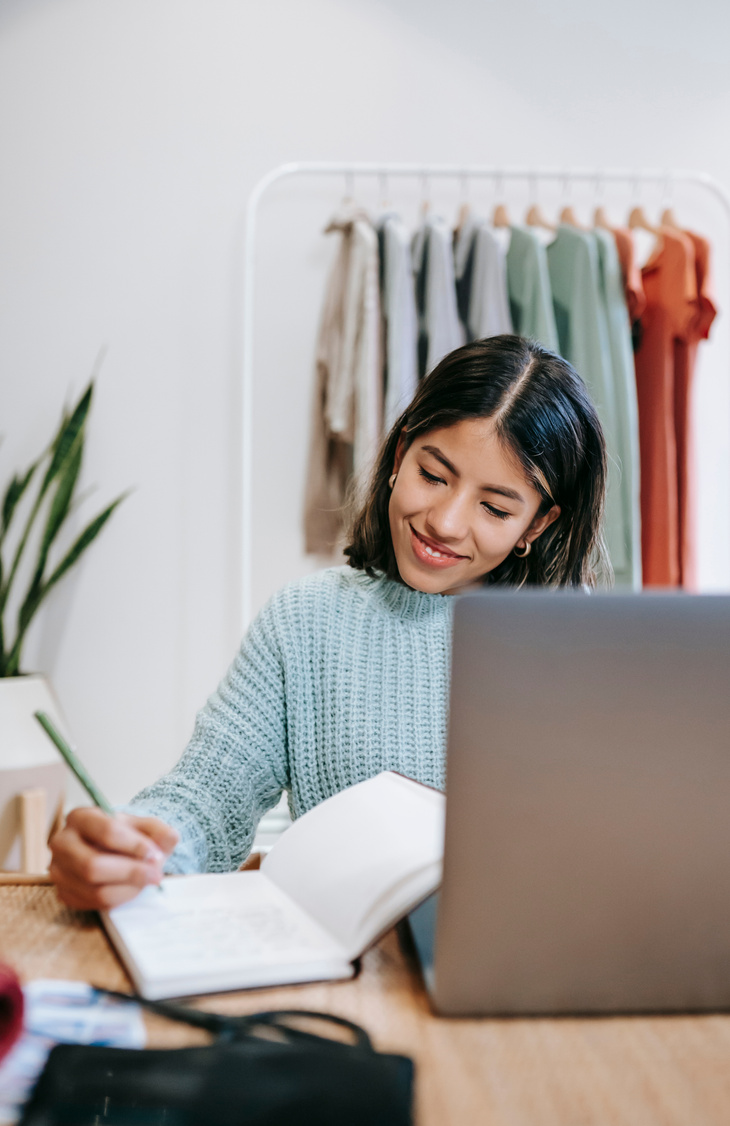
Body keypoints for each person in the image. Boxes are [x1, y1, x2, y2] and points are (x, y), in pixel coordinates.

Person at [49, 335, 609, 909]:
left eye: (494, 508)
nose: (445, 521)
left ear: (537, 525)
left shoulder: (589, 649)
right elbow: (204, 800)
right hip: (346, 980)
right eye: (434, 475)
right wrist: (131, 846)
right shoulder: (304, 622)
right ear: (399, 455)